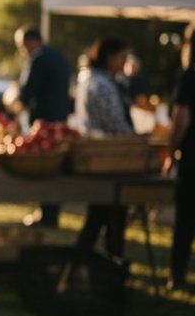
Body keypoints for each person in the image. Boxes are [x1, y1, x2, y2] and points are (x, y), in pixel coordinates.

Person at [75, 37, 135, 258]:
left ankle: (82, 263)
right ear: (109, 57)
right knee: (112, 216)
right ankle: (111, 266)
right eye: (122, 57)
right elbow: (116, 123)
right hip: (111, 155)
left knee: (97, 216)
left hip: (97, 154)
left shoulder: (89, 78)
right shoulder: (102, 84)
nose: (124, 62)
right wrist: (136, 141)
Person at [14, 25, 72, 228]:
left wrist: (16, 97)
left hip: (43, 122)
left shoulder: (38, 58)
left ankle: (47, 213)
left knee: (44, 167)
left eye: (22, 46)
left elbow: (28, 91)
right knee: (55, 167)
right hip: (60, 119)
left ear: (30, 41)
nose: (23, 51)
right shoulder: (59, 56)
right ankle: (52, 211)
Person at [166, 24, 195, 291]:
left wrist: (172, 152)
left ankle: (177, 274)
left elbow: (180, 120)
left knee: (187, 218)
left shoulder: (191, 78)